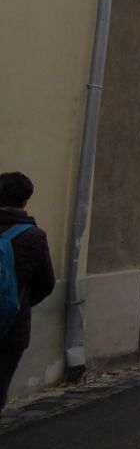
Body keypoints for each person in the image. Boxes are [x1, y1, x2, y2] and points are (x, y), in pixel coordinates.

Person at [0, 172, 55, 412]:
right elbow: (47, 283)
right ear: (25, 200)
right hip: (12, 326)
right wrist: (17, 302)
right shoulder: (34, 236)